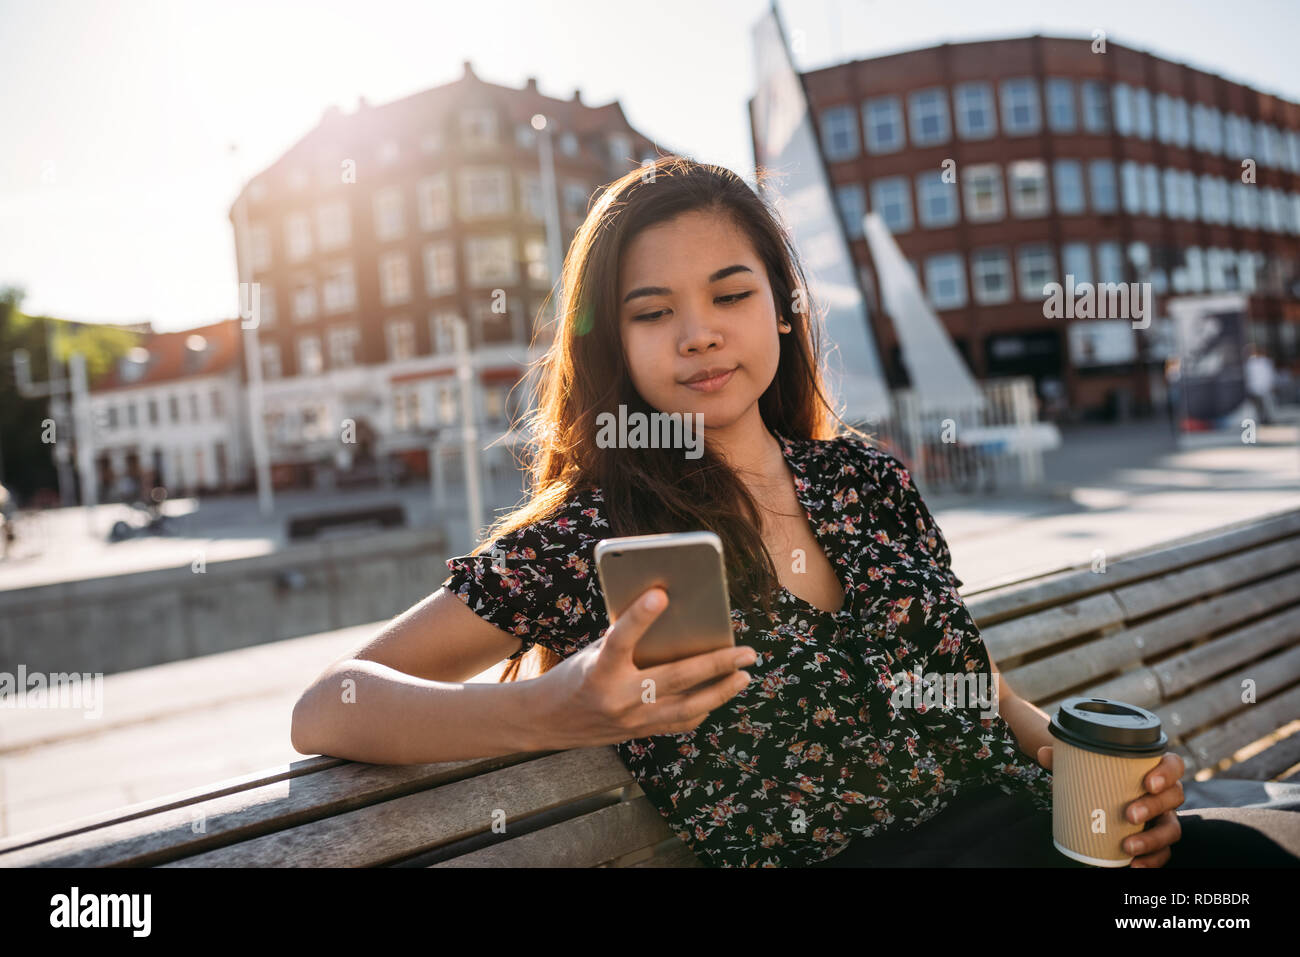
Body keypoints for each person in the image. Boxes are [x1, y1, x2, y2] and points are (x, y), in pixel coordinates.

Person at [291, 158, 1299, 868]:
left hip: (1040, 831)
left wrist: (1091, 772)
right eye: (652, 312)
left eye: (730, 295)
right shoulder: (588, 535)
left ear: (781, 307)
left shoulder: (864, 476)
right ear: (616, 344)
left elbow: (957, 679)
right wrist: (551, 712)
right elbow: (326, 706)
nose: (697, 335)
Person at [1244, 345, 1278, 425]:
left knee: (1268, 403)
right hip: (1255, 387)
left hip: (1264, 386)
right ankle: (1262, 419)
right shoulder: (1249, 363)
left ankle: (1269, 418)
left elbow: (1269, 374)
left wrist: (1271, 384)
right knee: (1258, 405)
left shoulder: (1265, 361)